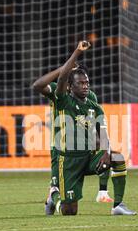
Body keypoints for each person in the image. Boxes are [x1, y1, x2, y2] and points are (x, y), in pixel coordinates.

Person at [43, 41, 136, 216]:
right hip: (65, 157)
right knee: (69, 211)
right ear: (70, 86)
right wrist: (76, 53)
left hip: (87, 156)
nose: (85, 86)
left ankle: (117, 205)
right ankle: (55, 197)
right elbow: (50, 82)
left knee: (117, 156)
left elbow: (102, 134)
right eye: (81, 83)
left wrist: (106, 152)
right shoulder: (62, 97)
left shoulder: (94, 105)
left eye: (87, 83)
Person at [33, 64, 114, 204]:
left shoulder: (91, 97)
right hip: (58, 146)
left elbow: (91, 119)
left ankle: (102, 192)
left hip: (81, 147)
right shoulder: (58, 89)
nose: (84, 85)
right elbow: (39, 85)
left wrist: (95, 138)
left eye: (85, 81)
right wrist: (63, 69)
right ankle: (53, 199)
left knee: (109, 156)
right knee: (55, 185)